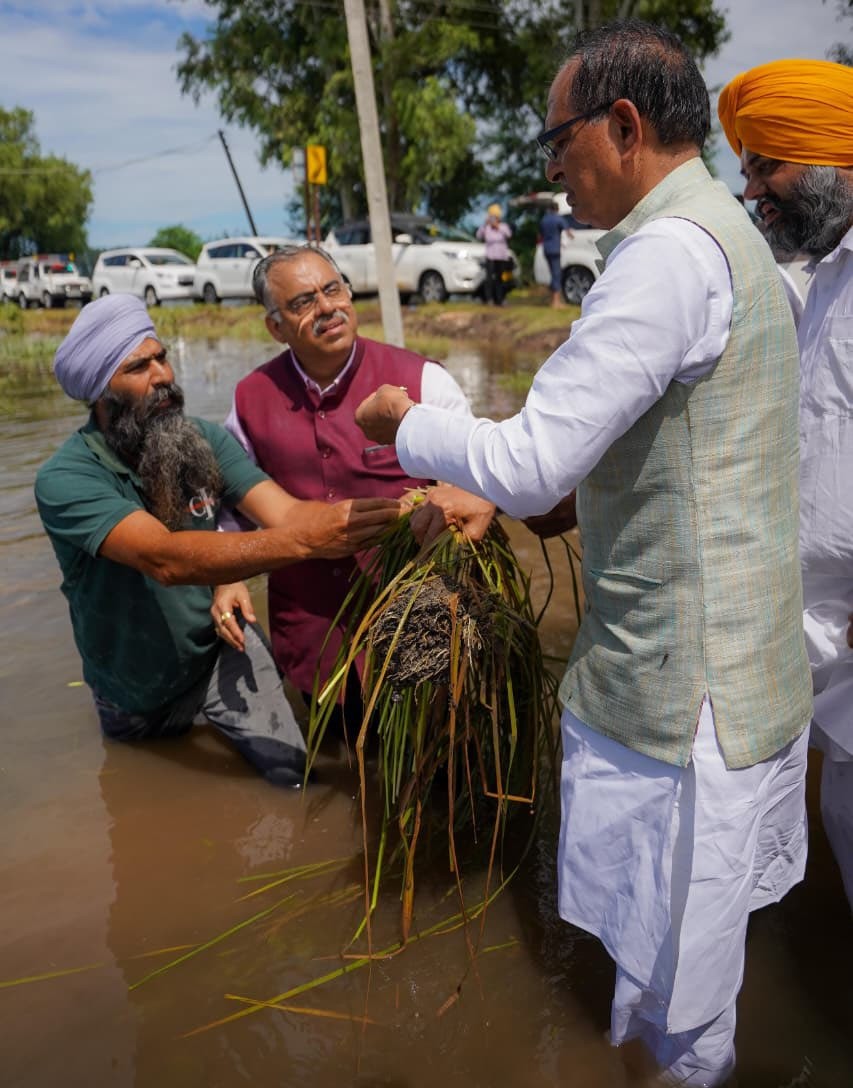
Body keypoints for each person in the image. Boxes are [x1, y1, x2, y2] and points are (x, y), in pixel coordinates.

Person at [356, 20, 813, 1086]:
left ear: (623, 125)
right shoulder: (726, 234)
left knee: (681, 992)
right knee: (677, 964)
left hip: (684, 689)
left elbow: (529, 457)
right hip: (734, 668)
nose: (552, 170)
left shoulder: (663, 254)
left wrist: (405, 423)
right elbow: (641, 450)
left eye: (557, 143)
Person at [34, 293, 400, 787]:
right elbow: (165, 559)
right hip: (132, 685)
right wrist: (307, 543)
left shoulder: (202, 439)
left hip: (221, 647)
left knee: (292, 773)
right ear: (102, 392)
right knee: (142, 801)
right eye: (138, 367)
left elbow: (287, 513)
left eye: (161, 357)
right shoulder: (68, 478)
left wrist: (390, 516)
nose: (163, 375)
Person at [222, 243, 494, 719]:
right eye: (303, 302)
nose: (327, 308)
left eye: (333, 289)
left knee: (427, 761)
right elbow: (234, 500)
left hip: (420, 631)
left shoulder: (423, 381)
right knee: (331, 759)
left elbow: (480, 481)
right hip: (309, 638)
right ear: (275, 327)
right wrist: (227, 578)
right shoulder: (250, 399)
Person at [719, 58, 853, 910]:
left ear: (831, 154)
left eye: (765, 165)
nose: (750, 190)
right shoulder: (823, 278)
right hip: (829, 645)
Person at [476, 203, 513, 306]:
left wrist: (498, 227)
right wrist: (485, 224)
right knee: (489, 279)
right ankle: (489, 299)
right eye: (491, 217)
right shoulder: (486, 228)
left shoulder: (503, 226)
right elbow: (478, 236)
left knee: (500, 278)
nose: (493, 219)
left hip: (501, 256)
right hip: (490, 256)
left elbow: (509, 235)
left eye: (495, 217)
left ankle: (501, 299)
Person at [540, 200, 574, 307]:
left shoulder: (544, 219)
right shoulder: (558, 218)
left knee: (552, 273)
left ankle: (553, 300)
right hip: (555, 249)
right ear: (557, 209)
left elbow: (540, 234)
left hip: (546, 249)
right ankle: (556, 302)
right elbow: (568, 232)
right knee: (556, 274)